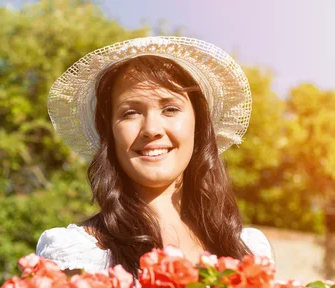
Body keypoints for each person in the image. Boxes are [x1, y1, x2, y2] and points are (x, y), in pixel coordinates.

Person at [36, 36, 275, 275]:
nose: (151, 129)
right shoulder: (77, 252)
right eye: (130, 113)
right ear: (109, 131)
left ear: (199, 123)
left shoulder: (249, 250)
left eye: (170, 109)